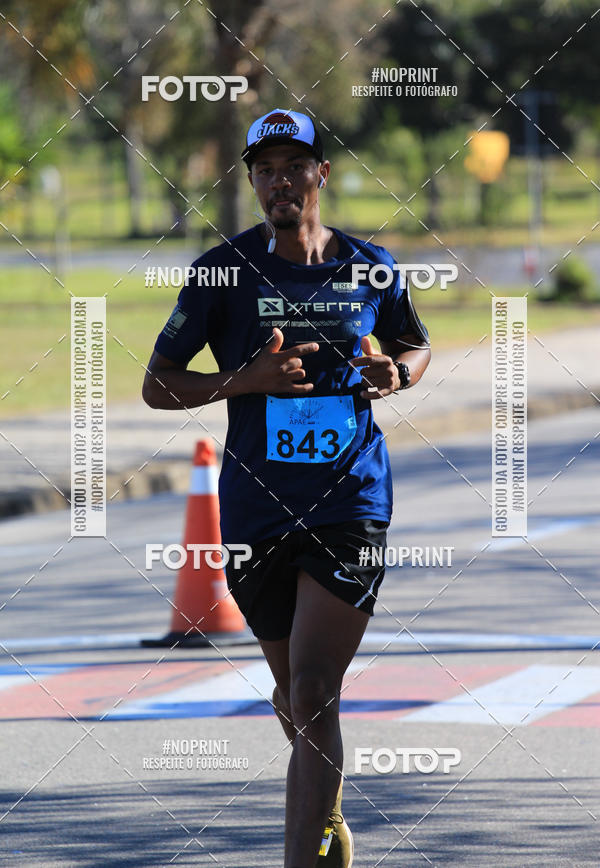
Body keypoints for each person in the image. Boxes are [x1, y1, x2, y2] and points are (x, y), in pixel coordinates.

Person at [142, 108, 431, 868]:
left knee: (311, 692)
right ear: (253, 181)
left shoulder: (370, 266)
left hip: (351, 502)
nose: (280, 181)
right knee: (294, 700)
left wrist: (396, 373)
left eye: (294, 166)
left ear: (321, 175)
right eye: (264, 169)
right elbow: (157, 385)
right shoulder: (221, 273)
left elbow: (415, 341)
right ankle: (328, 818)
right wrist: (246, 379)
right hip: (255, 510)